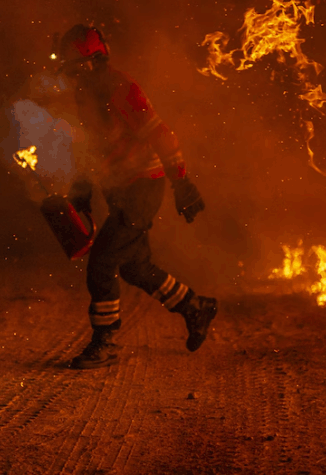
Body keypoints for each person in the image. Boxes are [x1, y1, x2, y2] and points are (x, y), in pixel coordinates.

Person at [52, 24, 216, 370]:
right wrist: (82, 189)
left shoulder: (119, 88)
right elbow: (94, 146)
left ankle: (105, 341)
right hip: (121, 187)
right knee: (135, 267)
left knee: (102, 263)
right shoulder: (87, 93)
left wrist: (181, 182)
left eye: (74, 67)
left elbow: (162, 135)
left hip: (142, 185)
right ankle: (195, 306)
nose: (70, 75)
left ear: (93, 61)